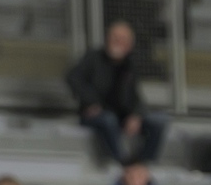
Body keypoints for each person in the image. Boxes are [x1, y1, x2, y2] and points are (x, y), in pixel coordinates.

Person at [65, 21, 169, 165]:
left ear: (130, 44)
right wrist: (91, 102)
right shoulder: (93, 57)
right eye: (115, 37)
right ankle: (120, 162)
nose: (118, 42)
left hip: (121, 115)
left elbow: (135, 96)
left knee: (159, 121)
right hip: (95, 113)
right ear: (107, 39)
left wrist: (136, 115)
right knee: (108, 120)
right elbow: (73, 78)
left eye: (123, 39)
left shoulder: (130, 65)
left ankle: (144, 164)